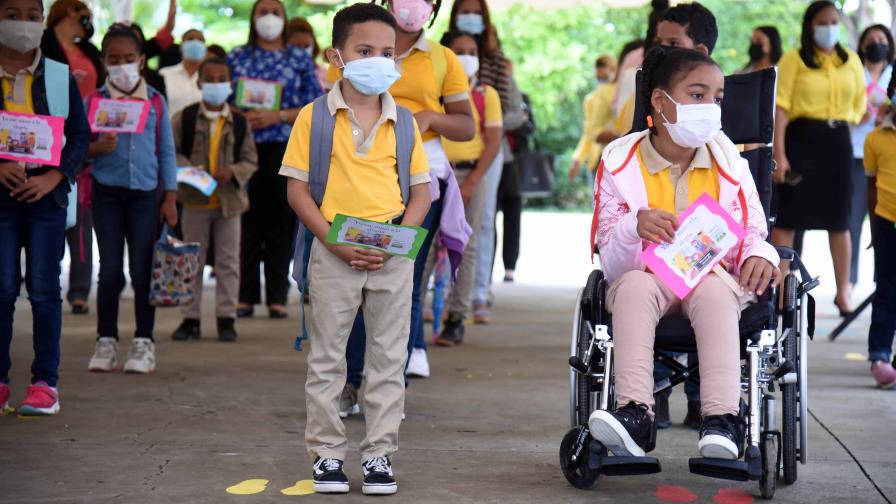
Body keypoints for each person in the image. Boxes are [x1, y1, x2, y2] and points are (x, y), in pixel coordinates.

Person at [588, 46, 780, 461]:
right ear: (660, 100)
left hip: (714, 281)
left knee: (711, 291)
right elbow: (612, 261)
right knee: (636, 285)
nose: (710, 107)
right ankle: (636, 412)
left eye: (717, 98)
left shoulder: (730, 162)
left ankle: (722, 418)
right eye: (697, 95)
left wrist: (760, 253)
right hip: (646, 281)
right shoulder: (621, 162)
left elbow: (752, 228)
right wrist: (631, 226)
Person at [282, 4, 431, 494]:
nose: (377, 61)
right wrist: (333, 243)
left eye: (386, 53)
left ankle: (379, 456)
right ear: (336, 56)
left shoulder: (404, 122)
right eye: (364, 51)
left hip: (391, 252)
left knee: (389, 359)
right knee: (329, 357)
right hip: (334, 249)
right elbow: (298, 191)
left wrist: (397, 246)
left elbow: (421, 193)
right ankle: (326, 454)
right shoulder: (314, 118)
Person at [332, 0, 473, 412]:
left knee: (401, 279)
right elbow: (330, 108)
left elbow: (465, 125)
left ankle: (389, 388)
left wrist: (431, 118)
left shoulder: (443, 58)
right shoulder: (350, 43)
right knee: (354, 279)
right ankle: (351, 381)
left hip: (419, 181)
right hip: (357, 178)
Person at [0, 0, 90, 415]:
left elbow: (79, 136)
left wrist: (56, 177)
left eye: (32, 17)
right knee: (2, 288)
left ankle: (44, 384)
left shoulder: (57, 74)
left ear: (42, 22)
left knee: (43, 288)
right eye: (12, 15)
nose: (23, 25)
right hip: (2, 193)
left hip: (47, 194)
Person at [85, 25, 178, 374]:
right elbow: (78, 149)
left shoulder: (154, 100)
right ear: (103, 62)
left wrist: (169, 196)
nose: (122, 65)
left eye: (129, 59)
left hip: (145, 196)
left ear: (141, 61)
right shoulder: (93, 101)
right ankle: (105, 341)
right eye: (114, 60)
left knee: (142, 271)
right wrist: (97, 147)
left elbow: (166, 152)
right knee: (109, 271)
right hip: (106, 193)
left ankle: (144, 341)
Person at [771, 0, 866, 317]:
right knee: (788, 219)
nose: (830, 28)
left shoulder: (850, 60)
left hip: (837, 141)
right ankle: (780, 289)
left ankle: (843, 293)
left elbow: (860, 105)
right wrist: (779, 155)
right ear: (811, 26)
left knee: (840, 220)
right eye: (823, 22)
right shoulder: (793, 59)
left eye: (834, 21)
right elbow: (781, 108)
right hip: (800, 140)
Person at [228, 0, 322, 319]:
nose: (269, 18)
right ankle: (245, 295)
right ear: (253, 19)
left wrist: (278, 115)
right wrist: (242, 116)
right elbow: (221, 100)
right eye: (262, 12)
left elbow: (316, 103)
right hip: (244, 149)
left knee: (282, 221)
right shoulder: (237, 57)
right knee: (246, 218)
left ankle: (278, 295)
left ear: (284, 18)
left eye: (275, 12)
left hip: (286, 147)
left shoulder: (298, 57)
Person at [446, 0, 528, 318]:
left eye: (475, 12)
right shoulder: (441, 59)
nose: (470, 18)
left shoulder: (497, 62)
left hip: (489, 151)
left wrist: (483, 122)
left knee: (480, 222)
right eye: (464, 12)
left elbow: (514, 113)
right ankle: (446, 292)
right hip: (449, 152)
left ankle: (477, 293)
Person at [169, 57, 257, 343]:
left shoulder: (240, 121)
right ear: (200, 83)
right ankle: (190, 318)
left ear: (230, 84)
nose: (216, 84)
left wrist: (232, 171)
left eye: (222, 79)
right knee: (191, 259)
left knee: (229, 262)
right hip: (194, 202)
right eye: (211, 79)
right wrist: (190, 169)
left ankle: (226, 318)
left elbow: (250, 160)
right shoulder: (185, 117)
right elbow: (171, 153)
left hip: (229, 204)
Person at [435, 30, 503, 347]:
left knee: (465, 246)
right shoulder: (433, 90)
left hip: (469, 176)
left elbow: (493, 140)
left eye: (471, 51)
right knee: (422, 243)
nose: (466, 56)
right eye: (458, 50)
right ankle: (408, 311)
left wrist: (474, 180)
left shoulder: (485, 94)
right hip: (433, 174)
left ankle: (456, 317)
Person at [41, 0, 102, 316]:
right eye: (84, 16)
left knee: (81, 219)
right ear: (66, 13)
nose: (87, 23)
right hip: (48, 137)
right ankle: (41, 279)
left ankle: (79, 290)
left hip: (87, 137)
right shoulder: (42, 47)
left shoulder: (89, 53)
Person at [849, 25, 893, 287]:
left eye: (881, 39)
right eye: (871, 40)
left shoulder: (893, 74)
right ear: (862, 45)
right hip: (856, 153)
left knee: (884, 223)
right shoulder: (854, 73)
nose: (876, 44)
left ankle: (883, 281)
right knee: (852, 222)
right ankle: (850, 283)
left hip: (887, 156)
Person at [863, 75, 896, 389]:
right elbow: (872, 187)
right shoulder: (876, 138)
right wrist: (874, 226)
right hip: (888, 222)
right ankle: (880, 355)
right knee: (887, 289)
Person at [568, 54, 617, 183]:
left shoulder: (626, 91)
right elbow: (589, 132)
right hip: (598, 157)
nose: (603, 82)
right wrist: (578, 158)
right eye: (599, 78)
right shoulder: (592, 99)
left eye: (604, 77)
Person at [159, 29, 206, 117]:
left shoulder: (210, 78)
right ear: (181, 46)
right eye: (190, 39)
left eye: (200, 40)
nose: (195, 42)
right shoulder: (164, 74)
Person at [287, 17, 328, 91]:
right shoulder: (280, 73)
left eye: (306, 46)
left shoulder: (325, 74)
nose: (302, 51)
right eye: (297, 47)